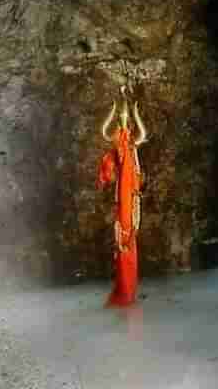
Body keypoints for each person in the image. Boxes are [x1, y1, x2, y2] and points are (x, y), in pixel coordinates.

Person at [97, 86, 148, 308]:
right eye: (123, 122)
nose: (125, 126)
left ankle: (127, 287)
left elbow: (140, 136)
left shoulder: (129, 145)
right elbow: (111, 161)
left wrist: (133, 113)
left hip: (130, 192)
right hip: (123, 192)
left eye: (126, 122)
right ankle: (124, 286)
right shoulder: (121, 143)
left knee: (128, 234)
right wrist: (119, 113)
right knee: (124, 234)